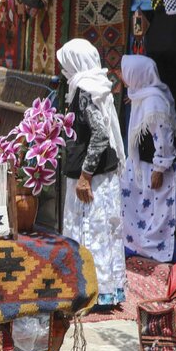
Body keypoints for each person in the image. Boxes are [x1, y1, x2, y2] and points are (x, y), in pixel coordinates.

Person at [57, 39, 125, 306]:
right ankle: (102, 290)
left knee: (93, 232)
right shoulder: (93, 86)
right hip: (99, 177)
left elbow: (100, 134)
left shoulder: (86, 91)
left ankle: (92, 291)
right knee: (102, 231)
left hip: (92, 180)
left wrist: (85, 176)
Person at [119, 54, 176, 263]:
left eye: (125, 72)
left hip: (165, 167)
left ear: (138, 75)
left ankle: (166, 256)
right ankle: (141, 250)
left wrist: (159, 168)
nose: (121, 76)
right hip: (147, 165)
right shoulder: (144, 94)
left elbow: (163, 138)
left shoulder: (153, 102)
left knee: (162, 215)